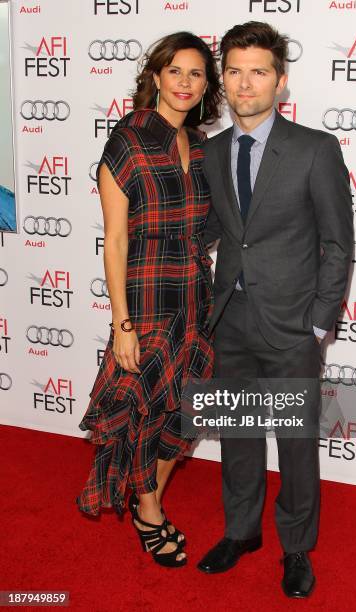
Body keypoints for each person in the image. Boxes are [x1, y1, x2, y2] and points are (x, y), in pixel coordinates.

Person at [197, 22, 353, 597]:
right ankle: (241, 532)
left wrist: (318, 321)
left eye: (258, 71)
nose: (245, 82)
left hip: (291, 326)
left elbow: (337, 243)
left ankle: (295, 548)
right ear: (224, 79)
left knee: (295, 444)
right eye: (234, 70)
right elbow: (219, 230)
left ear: (279, 81)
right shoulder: (212, 151)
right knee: (237, 436)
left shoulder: (314, 149)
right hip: (229, 320)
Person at [77, 32, 222, 568]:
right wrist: (122, 324)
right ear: (156, 76)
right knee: (144, 411)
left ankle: (151, 498)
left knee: (183, 415)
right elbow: (114, 239)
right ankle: (147, 511)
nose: (185, 83)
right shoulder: (129, 140)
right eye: (175, 71)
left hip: (194, 293)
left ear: (207, 85)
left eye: (197, 74)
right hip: (147, 295)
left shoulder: (203, 146)